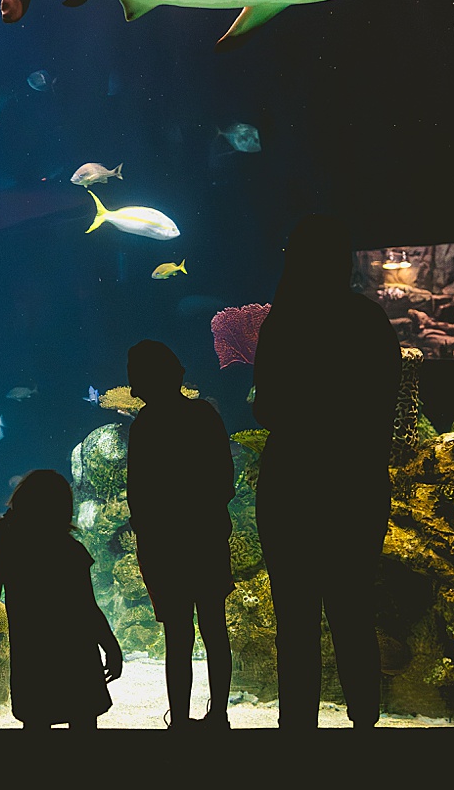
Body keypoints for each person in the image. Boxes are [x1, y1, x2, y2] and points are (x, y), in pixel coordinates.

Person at [250, 212, 402, 729]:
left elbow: (267, 410)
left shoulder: (284, 321)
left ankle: (298, 730)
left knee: (295, 624)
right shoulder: (369, 321)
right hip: (357, 487)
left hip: (292, 485)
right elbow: (383, 405)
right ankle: (364, 726)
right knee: (354, 616)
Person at [124, 339, 235, 730]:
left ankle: (182, 722)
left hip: (165, 547)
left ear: (139, 386)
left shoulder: (144, 427)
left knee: (178, 638)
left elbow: (138, 496)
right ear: (178, 375)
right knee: (214, 628)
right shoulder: (204, 416)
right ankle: (218, 715)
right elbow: (226, 482)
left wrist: (151, 537)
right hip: (205, 540)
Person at [0, 469, 122, 730]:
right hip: (75, 653)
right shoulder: (71, 550)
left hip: (33, 654)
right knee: (83, 720)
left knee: (36, 723)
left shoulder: (7, 548)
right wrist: (110, 645)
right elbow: (87, 608)